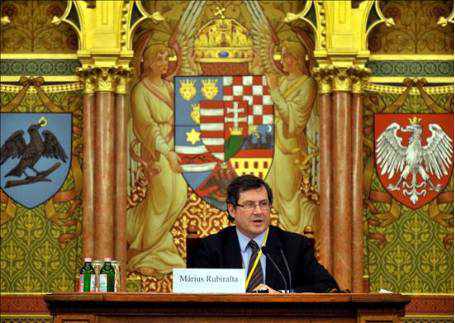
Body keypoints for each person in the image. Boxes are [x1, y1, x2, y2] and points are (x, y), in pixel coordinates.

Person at [188, 175, 338, 293]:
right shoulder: (211, 248)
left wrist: (282, 294)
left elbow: (327, 287)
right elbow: (194, 295)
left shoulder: (295, 246)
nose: (258, 211)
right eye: (249, 205)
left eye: (263, 204)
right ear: (232, 210)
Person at [127, 43, 187, 276]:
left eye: (167, 59)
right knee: (162, 200)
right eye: (160, 59)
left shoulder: (170, 87)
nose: (165, 64)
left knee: (178, 197)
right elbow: (147, 127)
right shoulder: (140, 91)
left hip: (175, 147)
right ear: (149, 62)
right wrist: (166, 152)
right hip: (156, 153)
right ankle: (144, 252)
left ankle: (156, 248)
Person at [265, 40, 318, 233]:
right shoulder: (282, 81)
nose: (282, 59)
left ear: (296, 59)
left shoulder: (308, 84)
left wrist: (274, 91)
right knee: (272, 194)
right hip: (273, 145)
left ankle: (295, 237)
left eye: (286, 55)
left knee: (288, 195)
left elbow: (294, 120)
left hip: (291, 148)